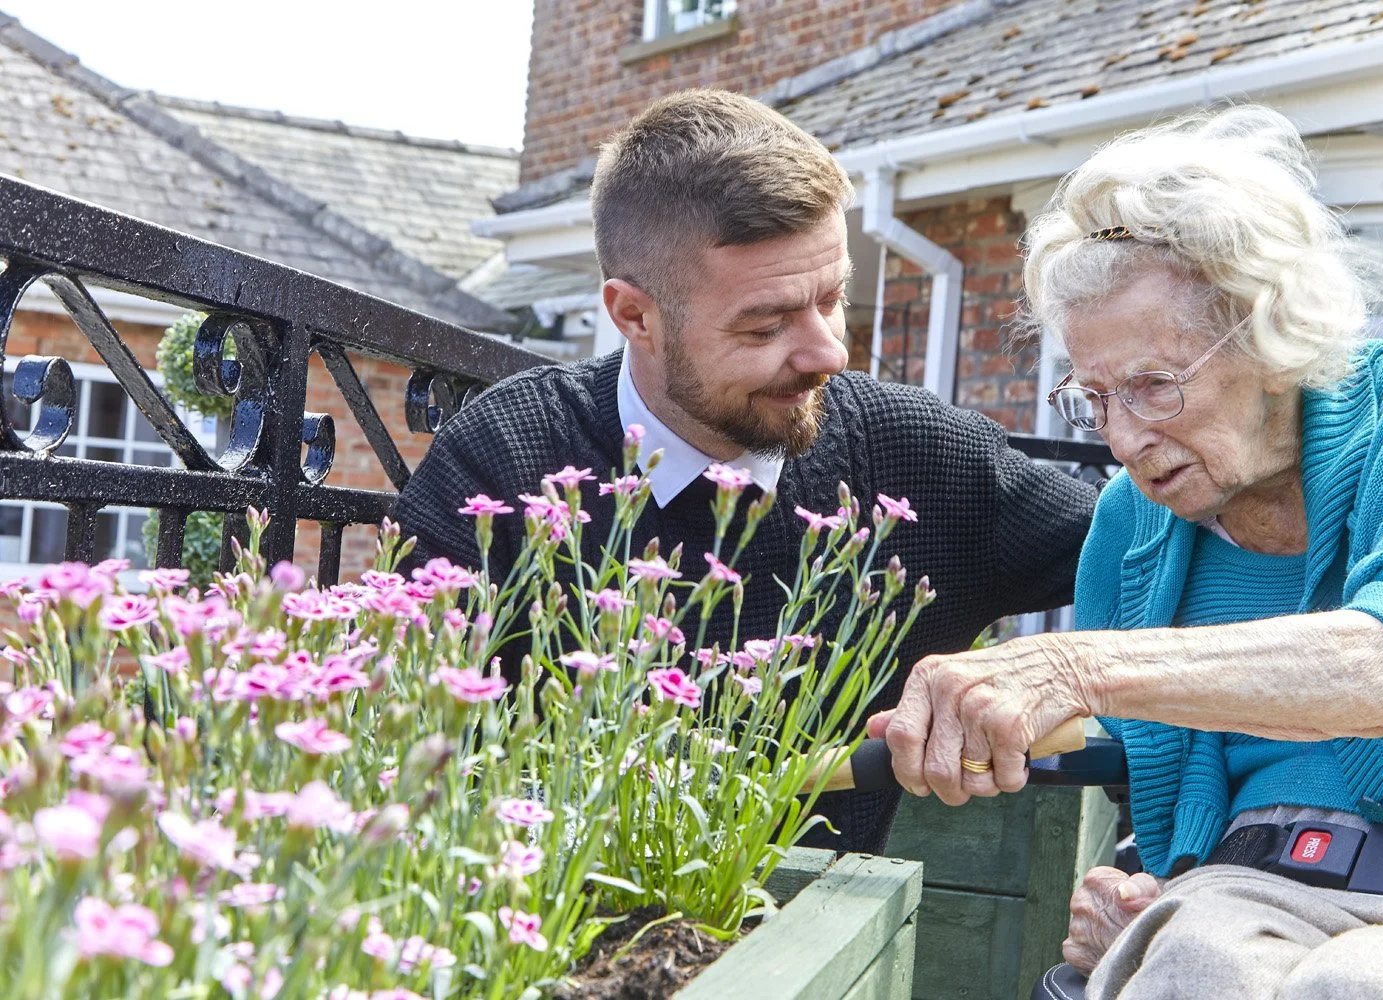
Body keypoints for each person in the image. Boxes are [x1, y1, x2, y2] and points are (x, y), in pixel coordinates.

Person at [871, 104, 1383, 998]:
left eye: (1153, 387)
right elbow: (1159, 795)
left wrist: (1076, 667)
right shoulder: (1131, 530)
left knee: (1360, 986)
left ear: (1271, 335)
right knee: (1196, 958)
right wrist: (1133, 896)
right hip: (1247, 891)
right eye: (1095, 397)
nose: (1123, 440)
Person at [390, 89, 1097, 855]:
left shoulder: (922, 456)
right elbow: (396, 747)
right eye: (765, 325)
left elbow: (1173, 552)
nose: (829, 352)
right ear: (633, 316)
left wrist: (1052, 669)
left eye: (834, 298)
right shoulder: (504, 461)